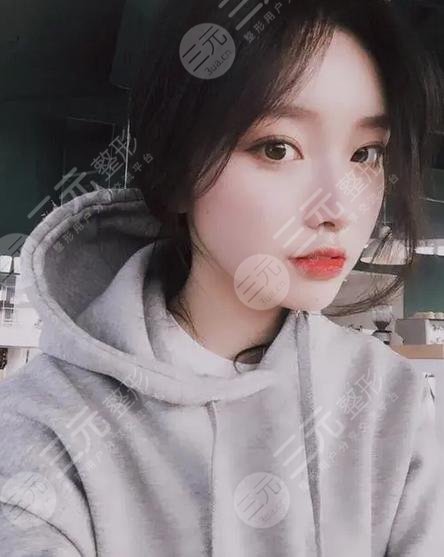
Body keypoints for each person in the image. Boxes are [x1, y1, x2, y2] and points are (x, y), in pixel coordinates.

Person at [1, 0, 444, 555]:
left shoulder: (386, 399)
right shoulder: (44, 431)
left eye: (365, 154)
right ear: (179, 169)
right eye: (278, 148)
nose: (337, 208)